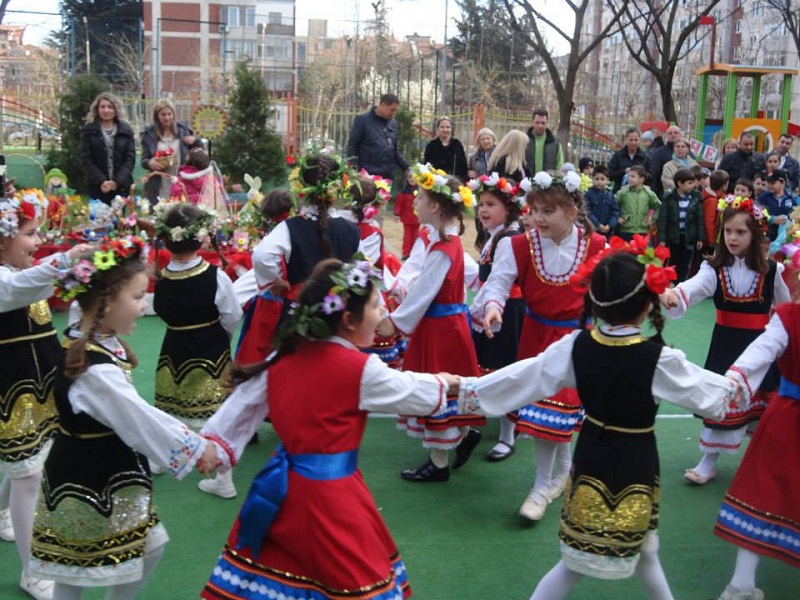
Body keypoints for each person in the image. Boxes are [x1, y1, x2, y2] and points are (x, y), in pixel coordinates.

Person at [457, 245, 738, 600]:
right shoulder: (657, 360)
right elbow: (711, 395)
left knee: (635, 550)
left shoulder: (576, 346)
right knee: (592, 558)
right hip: (634, 461)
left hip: (592, 456)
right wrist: (739, 387)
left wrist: (471, 390)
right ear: (646, 304)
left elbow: (526, 376)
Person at [198, 258, 459, 600]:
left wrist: (214, 445)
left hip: (281, 491)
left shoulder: (284, 357)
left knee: (281, 574)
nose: (381, 312)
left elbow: (241, 407)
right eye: (376, 306)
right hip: (331, 497)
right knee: (353, 579)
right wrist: (450, 385)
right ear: (348, 320)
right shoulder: (358, 367)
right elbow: (411, 391)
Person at [28, 236, 217, 600]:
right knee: (78, 570)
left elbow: (135, 417)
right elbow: (139, 419)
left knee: (96, 562)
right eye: (135, 297)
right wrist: (195, 448)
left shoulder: (79, 333)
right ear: (104, 301)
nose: (143, 304)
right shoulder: (96, 371)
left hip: (92, 469)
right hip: (94, 475)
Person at [470, 170, 606, 521]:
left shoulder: (598, 245)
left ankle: (548, 482)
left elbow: (610, 291)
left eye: (549, 211)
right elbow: (498, 283)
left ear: (573, 211)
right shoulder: (517, 245)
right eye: (535, 210)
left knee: (558, 413)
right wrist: (493, 308)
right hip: (537, 336)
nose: (539, 218)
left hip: (579, 339)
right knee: (547, 413)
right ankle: (550, 480)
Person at [0, 192, 92, 600]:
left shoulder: (24, 270)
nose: (38, 243)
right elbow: (20, 288)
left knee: (26, 465)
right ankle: (31, 570)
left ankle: (3, 511)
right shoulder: (8, 279)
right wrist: (66, 260)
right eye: (30, 234)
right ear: (2, 240)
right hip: (9, 393)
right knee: (28, 474)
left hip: (38, 386)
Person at [660, 196, 790, 485]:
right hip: (726, 346)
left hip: (761, 349)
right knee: (723, 398)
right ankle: (708, 461)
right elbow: (693, 288)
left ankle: (764, 460)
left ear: (755, 234)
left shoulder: (771, 271)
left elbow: (785, 309)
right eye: (728, 231)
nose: (732, 237)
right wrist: (673, 296)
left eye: (740, 232)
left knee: (763, 409)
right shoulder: (714, 269)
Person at [377, 164, 483, 481]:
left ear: (435, 206)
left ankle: (439, 463)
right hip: (445, 326)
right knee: (445, 387)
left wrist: (394, 323)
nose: (415, 203)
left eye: (420, 198)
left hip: (441, 330)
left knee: (437, 387)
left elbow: (423, 294)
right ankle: (463, 435)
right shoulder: (446, 244)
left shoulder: (442, 249)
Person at [152, 202, 242, 497]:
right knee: (216, 418)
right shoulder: (216, 276)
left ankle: (164, 457)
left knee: (171, 408)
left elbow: (161, 310)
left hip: (173, 350)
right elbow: (232, 314)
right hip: (212, 351)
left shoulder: (162, 278)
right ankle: (224, 480)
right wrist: (221, 337)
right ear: (202, 237)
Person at [715, 299, 800, 600]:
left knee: (762, 493)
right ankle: (740, 584)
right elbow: (763, 348)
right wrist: (737, 374)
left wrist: (737, 374)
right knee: (761, 493)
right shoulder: (789, 316)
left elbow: (763, 348)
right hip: (788, 420)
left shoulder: (790, 315)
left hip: (787, 419)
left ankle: (741, 584)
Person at [252, 152, 360, 327]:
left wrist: (274, 280)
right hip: (338, 312)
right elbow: (359, 268)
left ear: (300, 187)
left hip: (299, 314)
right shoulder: (352, 229)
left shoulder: (289, 228)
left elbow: (261, 256)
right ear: (338, 187)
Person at [467, 172, 525, 461]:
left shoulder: (508, 239)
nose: (484, 210)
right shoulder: (496, 237)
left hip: (507, 312)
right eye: (481, 204)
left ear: (509, 208)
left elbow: (497, 283)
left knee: (505, 370)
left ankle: (507, 435)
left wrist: (475, 312)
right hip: (499, 309)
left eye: (491, 204)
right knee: (496, 368)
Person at [235, 189, 294, 365]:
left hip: (271, 298)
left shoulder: (279, 232)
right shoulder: (288, 230)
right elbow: (262, 257)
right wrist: (276, 279)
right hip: (277, 298)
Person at [140, 98, 204, 203]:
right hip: (159, 182)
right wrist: (149, 162)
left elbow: (199, 154)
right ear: (157, 116)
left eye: (169, 114)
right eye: (163, 114)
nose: (167, 118)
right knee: (160, 211)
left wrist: (196, 141)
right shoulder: (149, 134)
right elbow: (143, 160)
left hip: (181, 179)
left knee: (180, 211)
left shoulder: (183, 131)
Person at [79, 92, 136, 204]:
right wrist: (102, 181)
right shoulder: (88, 131)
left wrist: (116, 182)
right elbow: (87, 159)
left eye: (110, 107)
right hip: (97, 187)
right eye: (102, 107)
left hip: (121, 187)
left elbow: (130, 159)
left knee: (118, 220)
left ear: (116, 110)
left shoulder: (126, 131)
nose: (106, 110)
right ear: (97, 109)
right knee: (98, 220)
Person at [345, 92, 409, 180]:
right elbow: (352, 145)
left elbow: (393, 150)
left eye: (396, 111)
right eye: (392, 110)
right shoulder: (363, 120)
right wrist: (352, 168)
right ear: (383, 105)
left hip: (387, 176)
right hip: (367, 176)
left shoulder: (393, 123)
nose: (394, 113)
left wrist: (406, 168)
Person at [657, 169, 703, 282]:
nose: (693, 185)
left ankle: (681, 284)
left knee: (685, 263)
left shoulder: (695, 198)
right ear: (680, 184)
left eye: (693, 182)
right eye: (690, 183)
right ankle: (670, 283)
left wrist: (700, 237)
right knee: (673, 261)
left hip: (688, 237)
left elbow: (699, 219)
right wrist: (662, 238)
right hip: (673, 238)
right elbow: (663, 220)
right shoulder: (669, 199)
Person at [615, 165, 660, 242]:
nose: (629, 179)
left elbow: (658, 207)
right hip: (626, 230)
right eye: (628, 176)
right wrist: (617, 217)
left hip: (643, 230)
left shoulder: (649, 194)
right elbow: (613, 206)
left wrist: (652, 220)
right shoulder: (622, 193)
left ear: (641, 179)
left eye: (633, 177)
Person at [423, 116, 469, 181]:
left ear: (451, 129)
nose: (445, 129)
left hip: (455, 182)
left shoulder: (457, 145)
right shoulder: (431, 146)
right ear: (437, 129)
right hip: (436, 182)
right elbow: (427, 166)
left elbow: (463, 167)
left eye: (448, 127)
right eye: (442, 127)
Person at [608, 127, 651, 193]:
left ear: (639, 140)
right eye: (631, 140)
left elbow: (650, 176)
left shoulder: (645, 157)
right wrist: (624, 172)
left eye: (636, 140)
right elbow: (610, 174)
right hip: (620, 192)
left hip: (639, 193)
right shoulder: (618, 156)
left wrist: (638, 175)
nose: (633, 142)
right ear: (626, 140)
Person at [756, 169, 794, 241]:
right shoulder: (763, 198)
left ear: (783, 183)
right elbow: (757, 214)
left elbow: (794, 214)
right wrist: (772, 219)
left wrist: (789, 220)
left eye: (772, 183)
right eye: (768, 182)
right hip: (768, 236)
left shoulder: (790, 198)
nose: (769, 185)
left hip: (786, 237)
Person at [699, 170, 730, 258]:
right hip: (710, 241)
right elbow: (709, 221)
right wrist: (712, 241)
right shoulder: (712, 200)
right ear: (723, 185)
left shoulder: (721, 197)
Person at [584, 164, 620, 239]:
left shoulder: (610, 195)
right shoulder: (588, 194)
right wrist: (597, 224)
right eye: (597, 179)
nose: (599, 182)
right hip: (593, 230)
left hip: (607, 231)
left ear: (607, 180)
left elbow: (615, 212)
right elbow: (587, 211)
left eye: (602, 179)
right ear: (592, 179)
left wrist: (610, 225)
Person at [648, 124, 683, 198]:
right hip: (664, 192)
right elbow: (654, 174)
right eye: (670, 133)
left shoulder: (688, 153)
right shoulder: (659, 153)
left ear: (680, 135)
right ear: (666, 136)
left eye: (675, 133)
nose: (673, 135)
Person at [524, 108, 564, 173]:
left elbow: (559, 164)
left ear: (547, 123)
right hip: (528, 181)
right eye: (537, 122)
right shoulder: (524, 140)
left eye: (543, 123)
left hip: (548, 181)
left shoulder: (554, 142)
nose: (540, 126)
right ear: (532, 122)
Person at [393, 171, 420, 260]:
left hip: (417, 218)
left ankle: (414, 254)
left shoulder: (420, 192)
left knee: (416, 237)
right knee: (407, 237)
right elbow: (398, 204)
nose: (412, 179)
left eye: (414, 177)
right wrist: (397, 214)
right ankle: (406, 253)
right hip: (407, 218)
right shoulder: (403, 192)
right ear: (407, 179)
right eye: (410, 177)